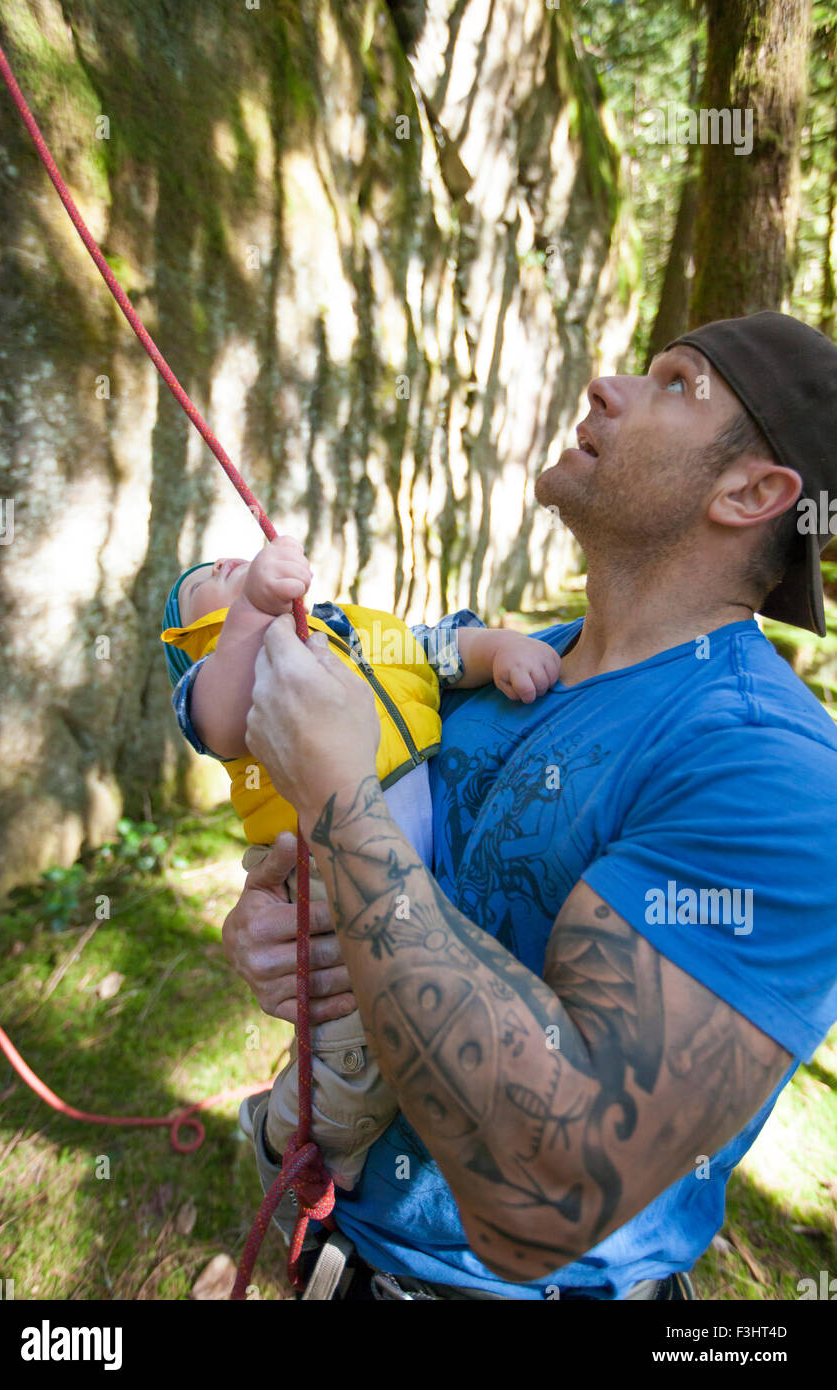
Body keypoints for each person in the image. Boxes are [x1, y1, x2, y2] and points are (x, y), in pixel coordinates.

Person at [220, 309, 837, 1301]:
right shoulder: (510, 668)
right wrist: (279, 924)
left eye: (676, 384)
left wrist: (336, 798)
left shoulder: (772, 777)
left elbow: (547, 1192)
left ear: (752, 492)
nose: (606, 386)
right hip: (337, 1256)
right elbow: (388, 890)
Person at [160, 543, 560, 1190]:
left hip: (410, 864)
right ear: (189, 636)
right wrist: (252, 613)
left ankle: (308, 1109)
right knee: (355, 1054)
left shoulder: (351, 629)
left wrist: (501, 651)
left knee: (367, 1031)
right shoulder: (235, 669)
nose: (224, 563)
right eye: (203, 580)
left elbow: (437, 649)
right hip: (324, 880)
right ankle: (300, 1143)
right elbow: (225, 721)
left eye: (225, 557)